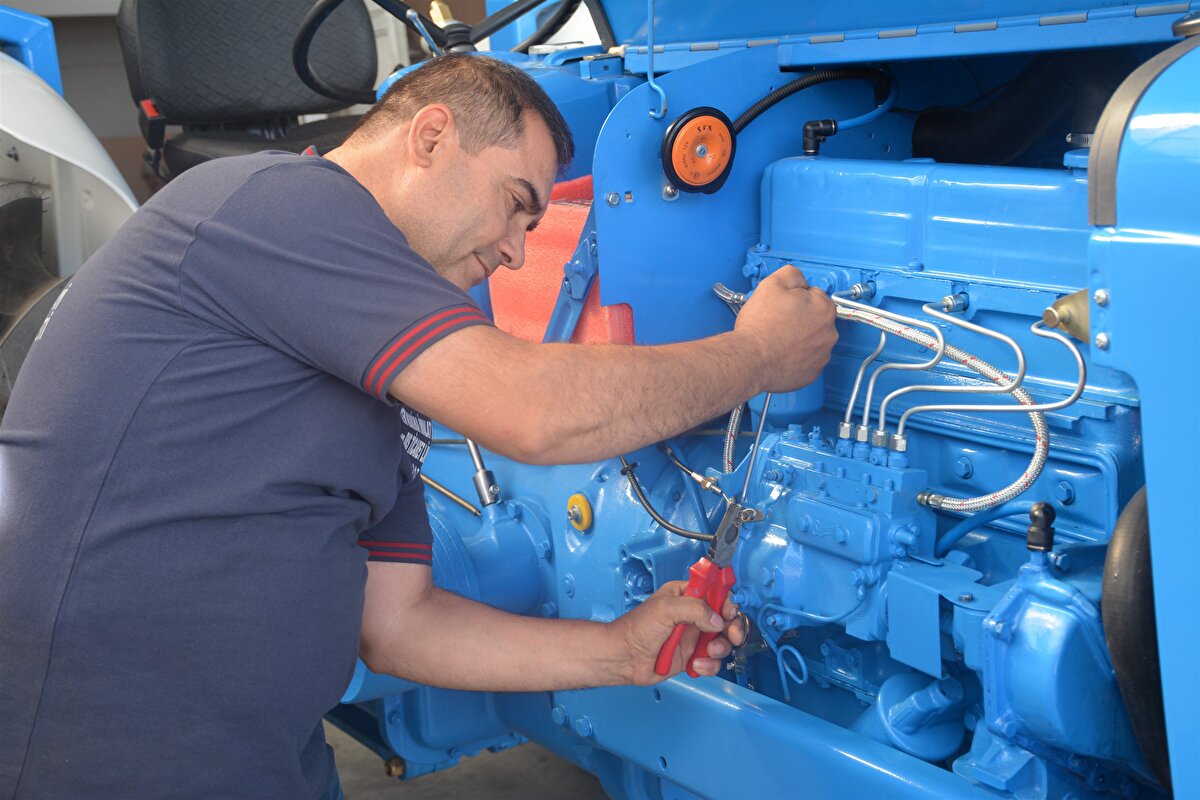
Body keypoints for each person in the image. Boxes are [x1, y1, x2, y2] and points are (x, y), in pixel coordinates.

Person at [0, 54, 836, 799]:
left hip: (266, 763)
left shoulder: (378, 378)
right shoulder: (276, 203)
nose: (515, 252)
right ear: (431, 137)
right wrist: (759, 355)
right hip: (110, 762)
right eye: (516, 205)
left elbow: (398, 625)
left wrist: (618, 649)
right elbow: (535, 412)